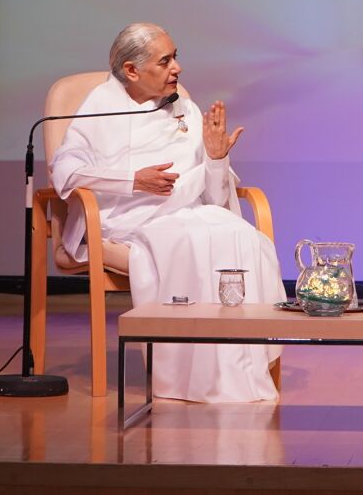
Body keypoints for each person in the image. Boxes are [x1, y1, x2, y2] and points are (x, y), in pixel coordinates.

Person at [48, 22, 284, 402]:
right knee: (194, 240)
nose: (178, 68)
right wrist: (132, 180)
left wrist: (216, 158)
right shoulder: (99, 109)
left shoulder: (184, 108)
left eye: (176, 57)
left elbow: (210, 191)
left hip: (185, 210)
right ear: (131, 70)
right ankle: (185, 378)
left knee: (244, 237)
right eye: (166, 60)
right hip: (124, 219)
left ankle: (234, 369)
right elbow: (64, 172)